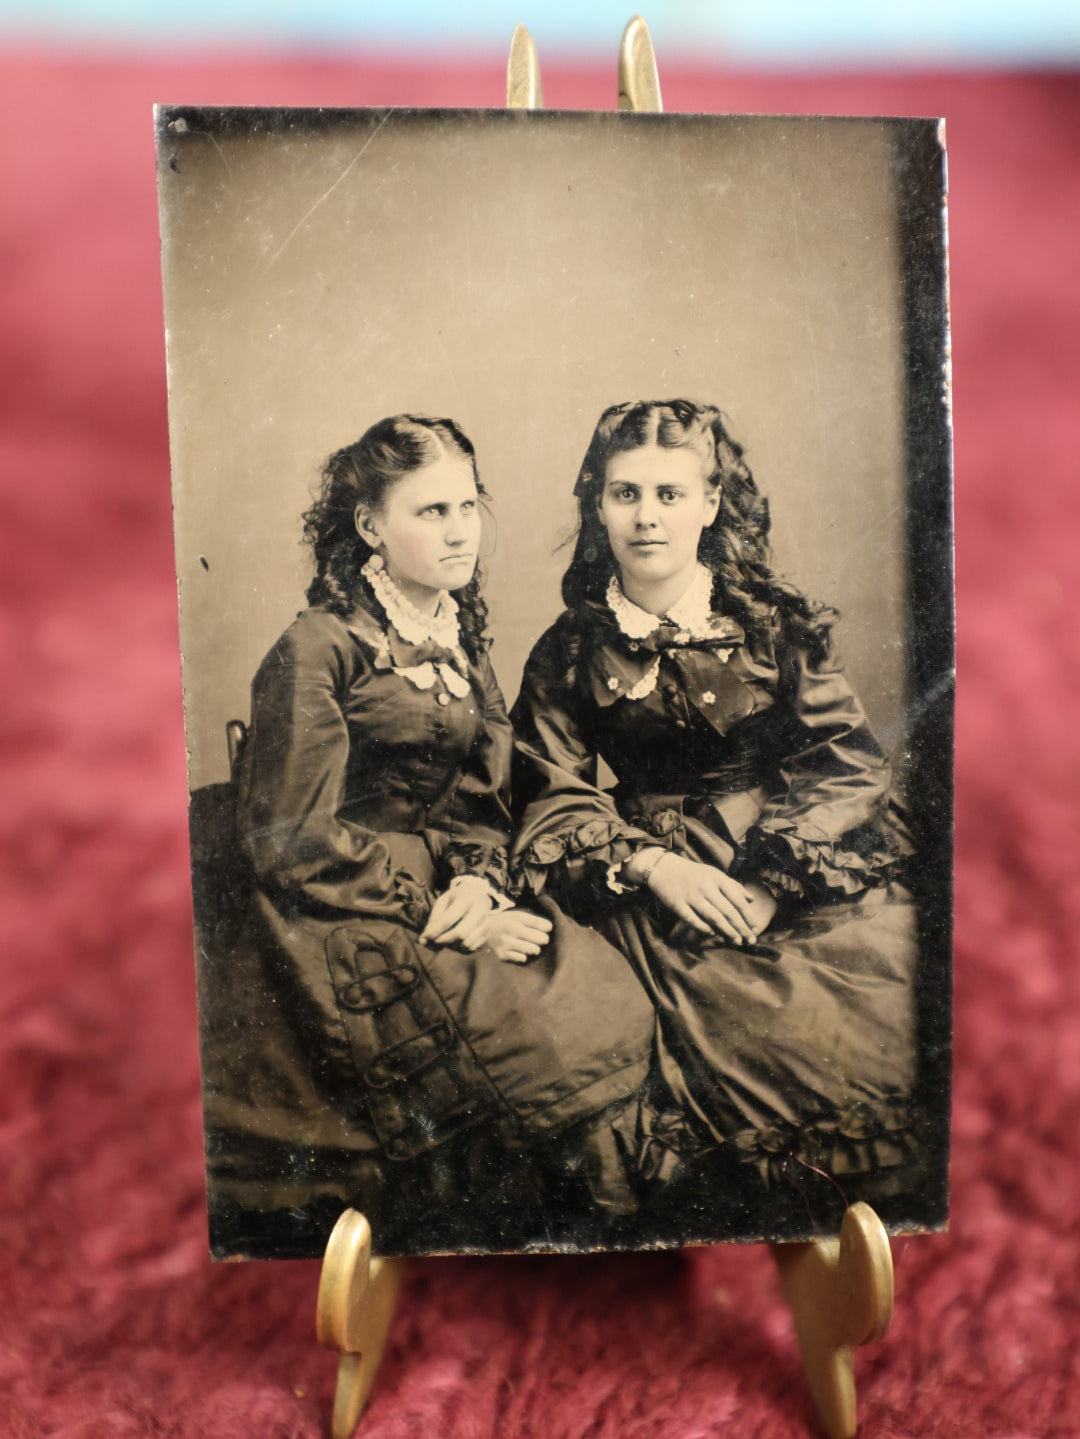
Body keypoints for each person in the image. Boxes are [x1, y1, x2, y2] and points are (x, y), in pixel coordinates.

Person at [198, 414, 655, 1256]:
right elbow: (293, 838)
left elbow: (481, 799)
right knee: (544, 1032)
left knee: (595, 985)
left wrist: (480, 882)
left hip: (446, 887)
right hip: (335, 902)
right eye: (430, 511)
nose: (458, 531)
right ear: (370, 525)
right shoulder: (318, 647)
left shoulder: (454, 636)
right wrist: (438, 907)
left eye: (467, 506)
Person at [510, 399, 919, 1232]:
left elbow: (846, 763)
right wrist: (653, 865)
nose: (647, 516)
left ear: (711, 503)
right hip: (648, 877)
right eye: (625, 493)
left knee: (870, 1004)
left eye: (669, 493)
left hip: (789, 861)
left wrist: (774, 879)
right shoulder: (568, 648)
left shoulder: (773, 628)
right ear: (597, 505)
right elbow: (547, 785)